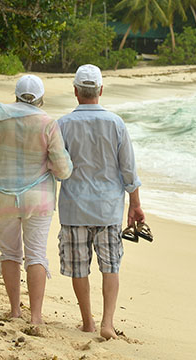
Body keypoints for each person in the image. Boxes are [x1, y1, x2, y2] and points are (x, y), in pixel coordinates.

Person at [0, 75, 72, 325]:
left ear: (15, 95)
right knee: (36, 256)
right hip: (37, 200)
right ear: (41, 98)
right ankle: (36, 317)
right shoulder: (48, 124)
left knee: (9, 254)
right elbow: (62, 170)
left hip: (3, 199)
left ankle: (14, 311)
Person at [56, 64, 145, 340]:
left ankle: (88, 321)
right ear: (101, 90)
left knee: (78, 266)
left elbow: (59, 167)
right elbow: (128, 169)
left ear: (75, 92)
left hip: (73, 207)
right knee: (111, 266)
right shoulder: (116, 123)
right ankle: (107, 323)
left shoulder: (63, 124)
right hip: (108, 209)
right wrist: (135, 204)